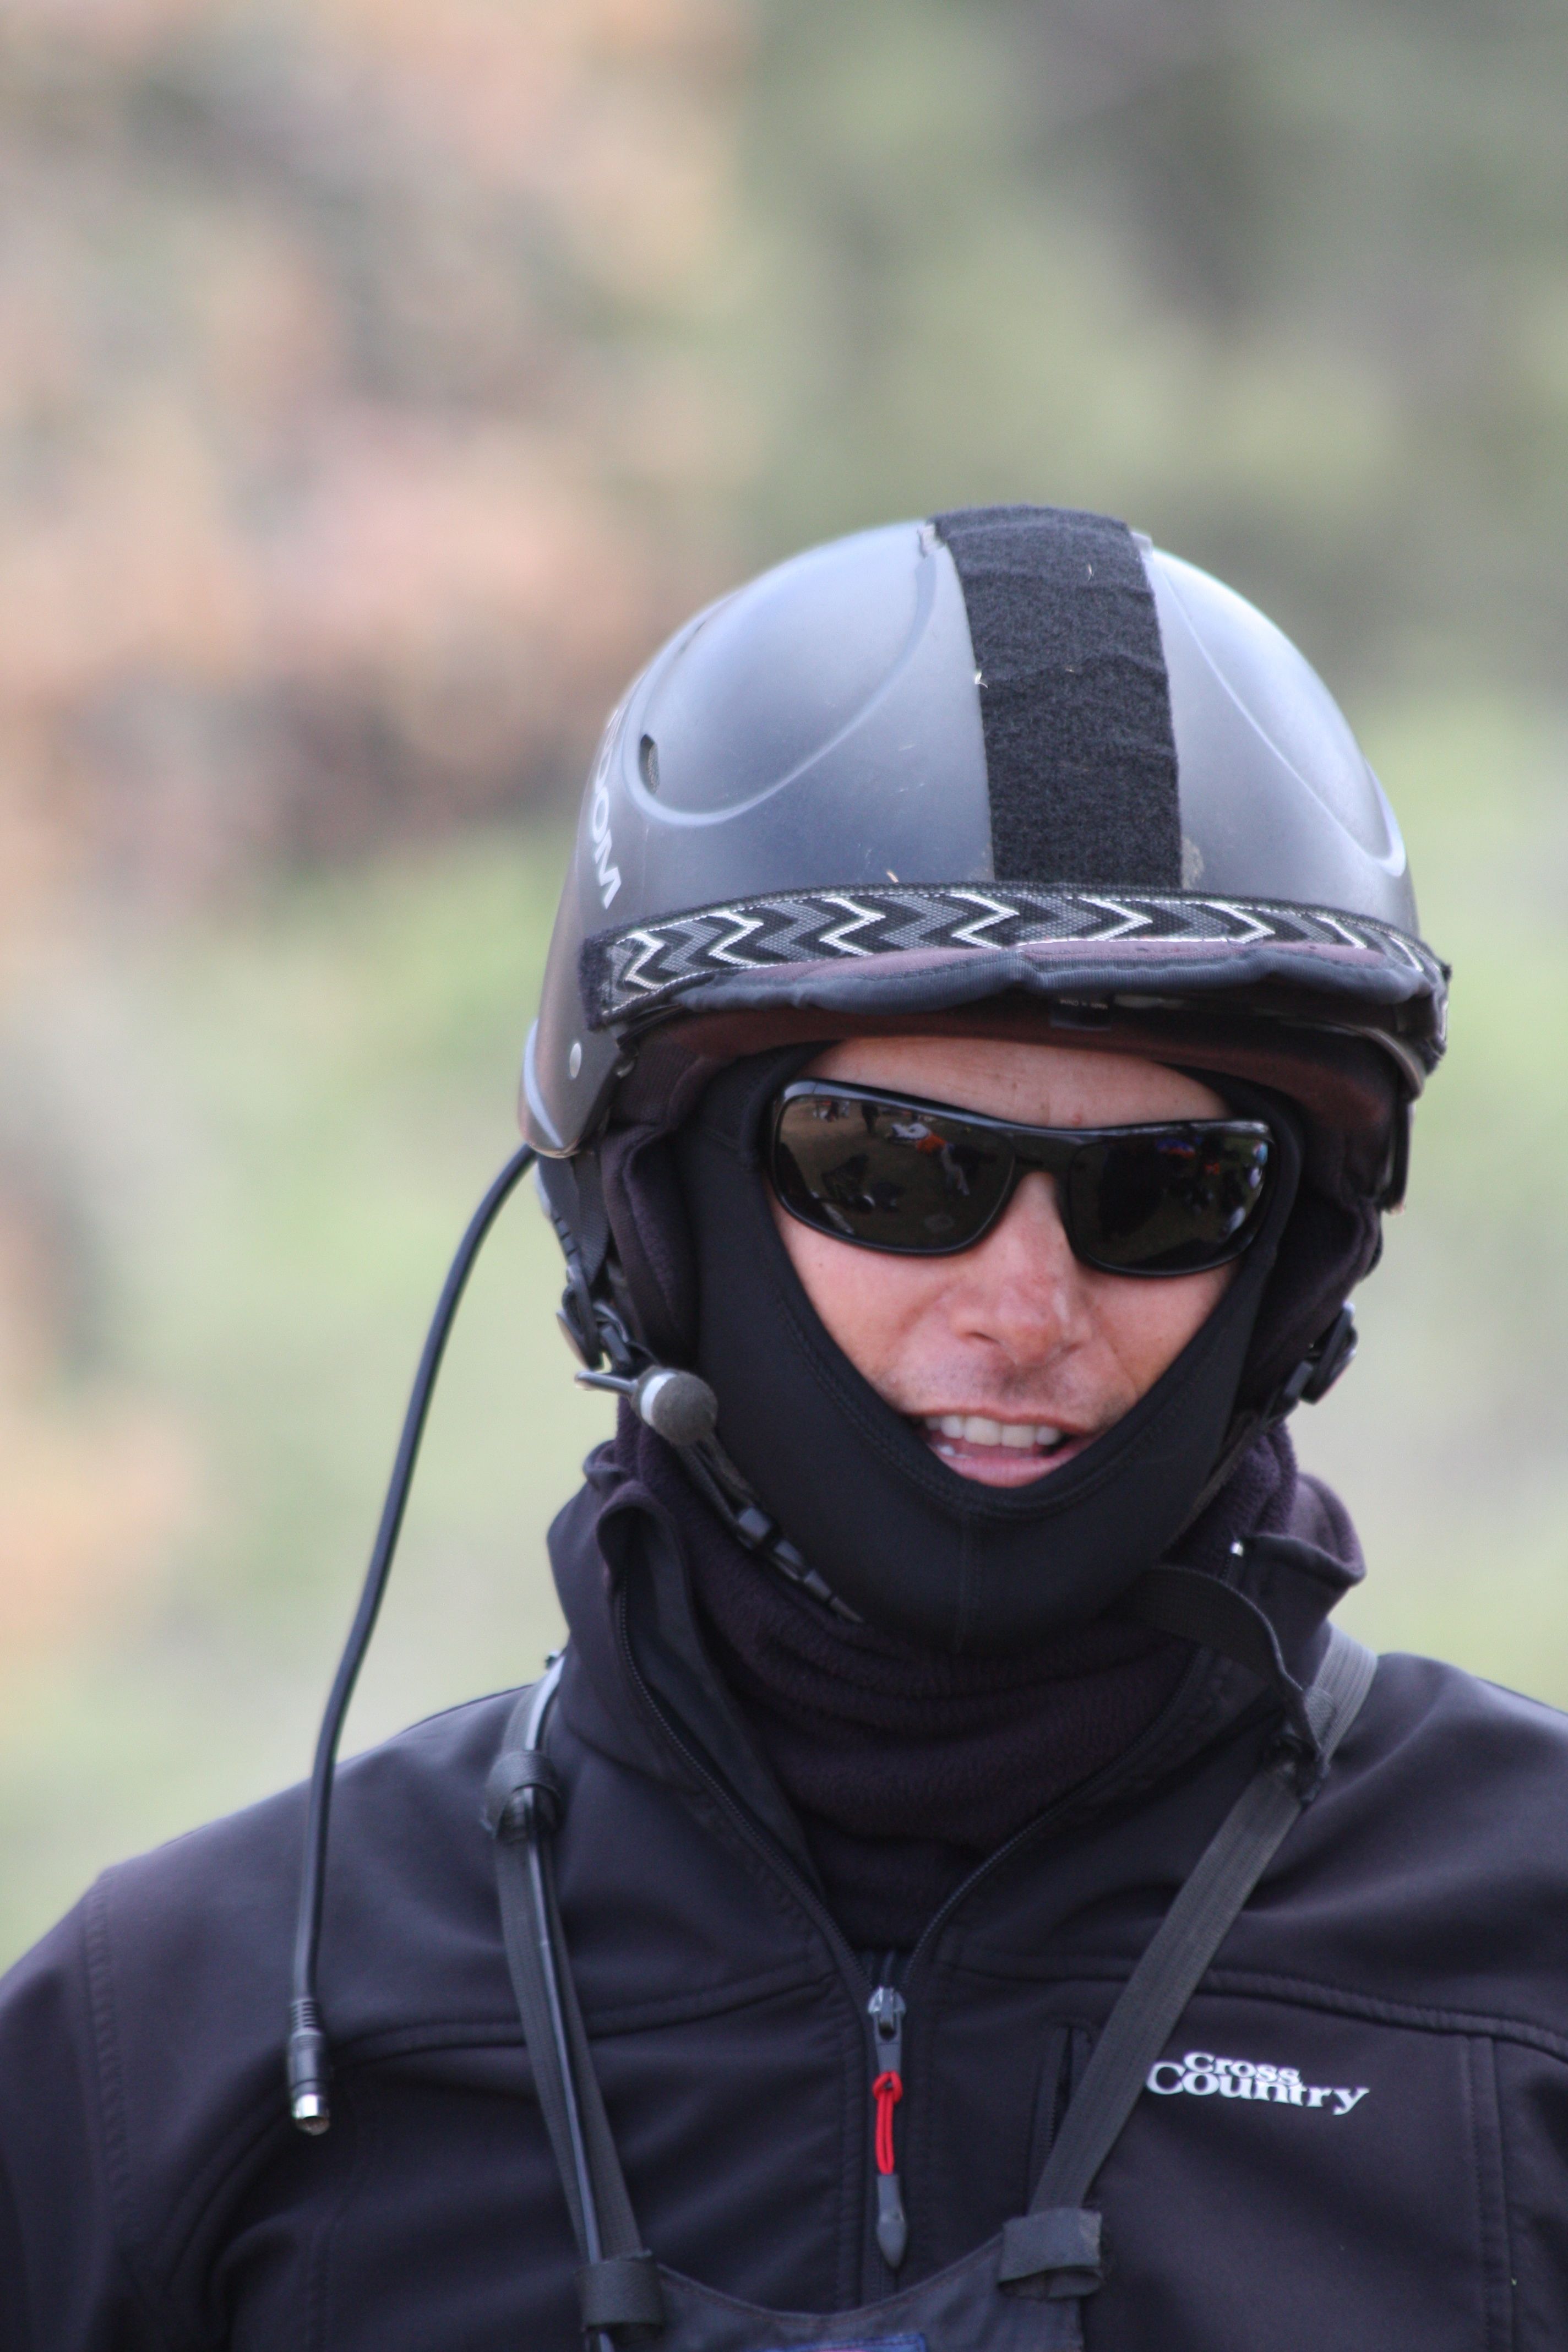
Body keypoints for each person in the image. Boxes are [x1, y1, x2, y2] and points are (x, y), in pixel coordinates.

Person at [1, 503, 1562, 2350]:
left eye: (1168, 1192)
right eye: (891, 1169)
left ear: (1293, 1266)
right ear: (656, 1220)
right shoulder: (189, 2036)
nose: (1028, 1305)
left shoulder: (1527, 1954)